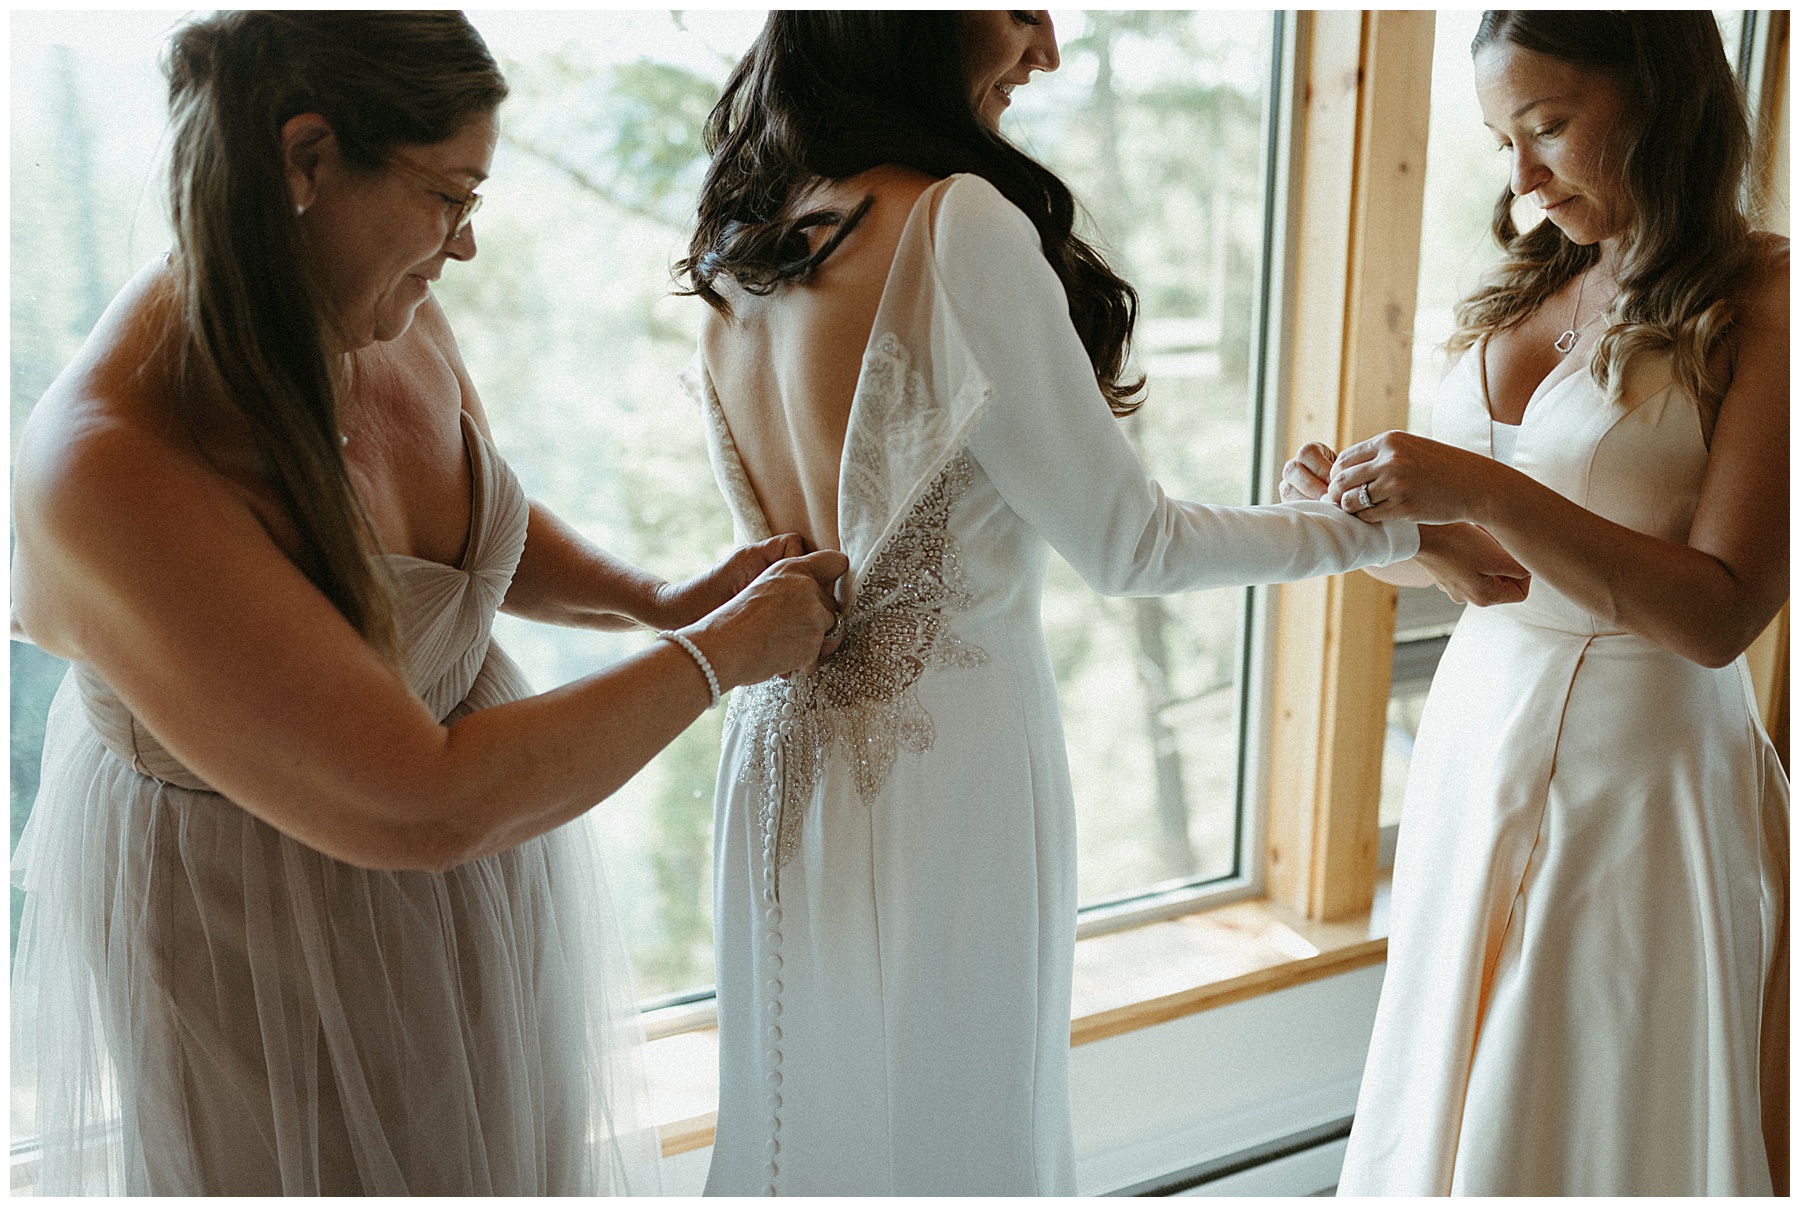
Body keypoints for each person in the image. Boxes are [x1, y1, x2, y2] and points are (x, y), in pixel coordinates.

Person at [675, 11, 1518, 1195]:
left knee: (806, 1132)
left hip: (777, 768)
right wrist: (1392, 529)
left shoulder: (743, 241)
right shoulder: (953, 222)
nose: (1050, 49)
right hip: (944, 780)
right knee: (960, 1132)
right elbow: (1136, 544)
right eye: (1021, 7)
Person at [9, 11, 846, 1196]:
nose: (462, 246)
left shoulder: (368, 297)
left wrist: (654, 598)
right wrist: (716, 658)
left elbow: (465, 521)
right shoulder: (110, 469)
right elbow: (420, 800)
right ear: (308, 161)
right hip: (262, 935)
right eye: (450, 195)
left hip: (473, 885)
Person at [1281, 10, 1788, 1195]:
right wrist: (1371, 521)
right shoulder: (1537, 284)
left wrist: (1480, 486)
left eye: (1549, 125)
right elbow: (1485, 565)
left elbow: (1722, 614)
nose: (1521, 175)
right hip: (1477, 743)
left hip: (1638, 779)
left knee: (1601, 1112)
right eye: (1503, 138)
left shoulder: (1768, 297)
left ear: (1658, 98)